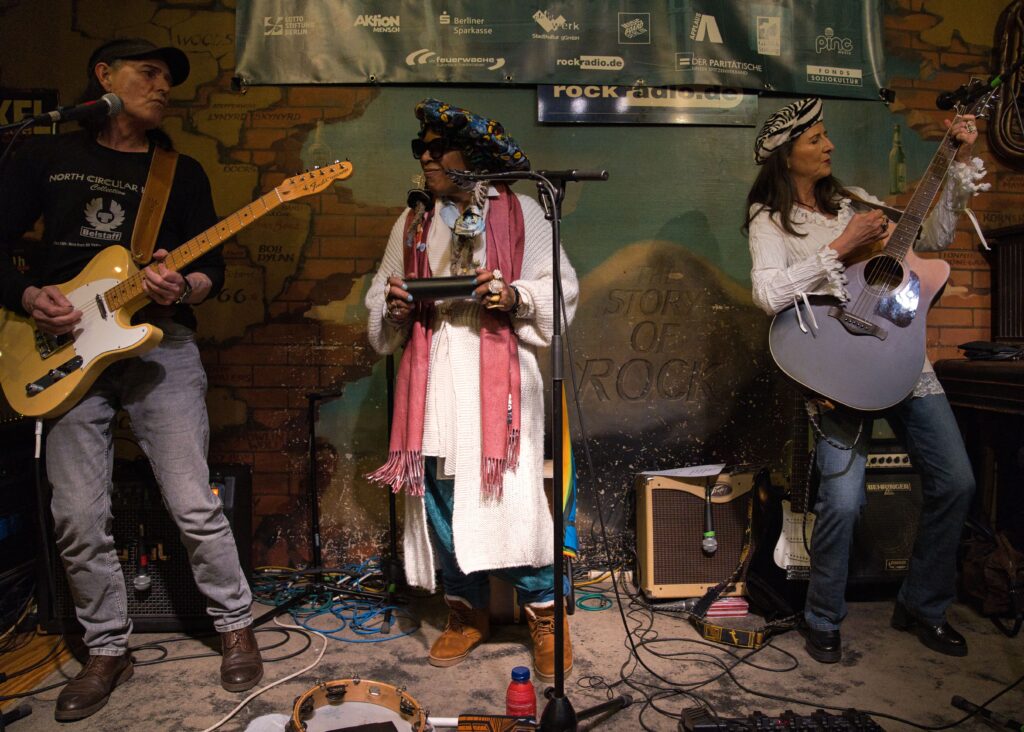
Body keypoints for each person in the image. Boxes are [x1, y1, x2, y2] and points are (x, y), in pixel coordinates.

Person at [0, 39, 262, 720]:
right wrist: (30, 299)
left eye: (169, 78)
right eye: (148, 73)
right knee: (77, 514)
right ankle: (108, 647)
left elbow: (214, 273)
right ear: (104, 77)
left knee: (192, 502)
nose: (162, 86)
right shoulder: (43, 156)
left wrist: (184, 286)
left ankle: (236, 627)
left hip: (158, 344)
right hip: (62, 351)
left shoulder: (181, 171)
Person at [745, 98, 986, 664]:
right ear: (786, 156)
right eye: (815, 140)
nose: (829, 147)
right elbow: (767, 294)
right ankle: (823, 616)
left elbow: (936, 234)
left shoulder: (856, 201)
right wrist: (841, 245)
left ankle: (922, 605)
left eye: (827, 137)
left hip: (903, 358)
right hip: (836, 370)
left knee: (957, 482)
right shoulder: (769, 218)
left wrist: (952, 161)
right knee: (844, 503)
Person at [365, 99, 578, 682]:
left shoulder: (524, 212)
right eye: (421, 148)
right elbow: (377, 306)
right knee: (440, 499)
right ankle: (466, 613)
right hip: (433, 380)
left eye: (439, 147)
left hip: (502, 386)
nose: (427, 157)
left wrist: (513, 298)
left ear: (475, 156)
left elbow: (561, 290)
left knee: (518, 502)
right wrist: (395, 306)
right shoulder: (410, 223)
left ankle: (544, 616)